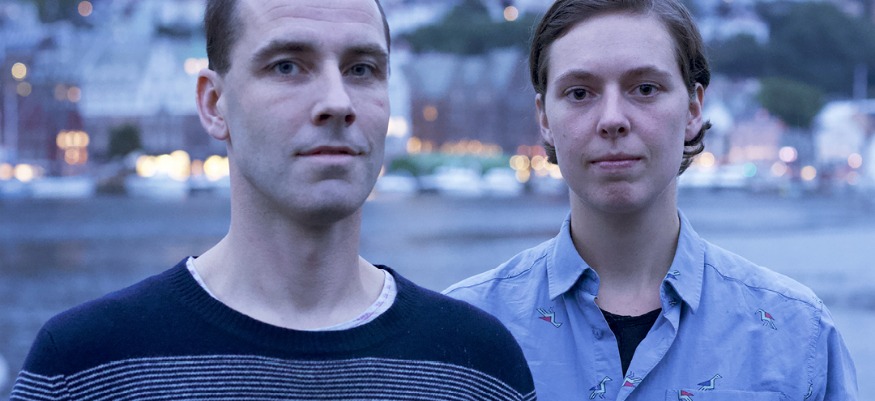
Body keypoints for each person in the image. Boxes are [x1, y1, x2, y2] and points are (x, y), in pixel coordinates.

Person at [10, 1, 536, 400]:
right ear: (213, 104)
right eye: (287, 66)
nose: (337, 102)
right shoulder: (83, 367)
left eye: (361, 69)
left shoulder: (478, 366)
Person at [445, 0, 857, 399]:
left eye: (645, 88)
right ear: (544, 119)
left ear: (693, 110)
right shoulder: (460, 329)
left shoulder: (797, 333)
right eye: (579, 93)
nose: (612, 120)